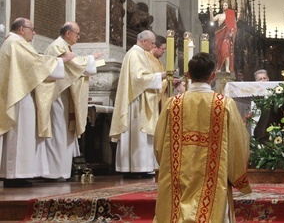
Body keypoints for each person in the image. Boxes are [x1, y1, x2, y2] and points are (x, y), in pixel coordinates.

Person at [154, 52, 252, 222]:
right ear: (213, 76)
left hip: (178, 175)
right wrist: (237, 175)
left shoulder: (172, 104)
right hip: (214, 177)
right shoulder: (224, 104)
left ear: (188, 75)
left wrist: (168, 165)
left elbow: (159, 143)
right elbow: (238, 144)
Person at [0, 18, 75, 187]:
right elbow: (35, 64)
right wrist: (60, 60)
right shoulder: (15, 43)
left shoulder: (14, 42)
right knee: (20, 136)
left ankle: (17, 174)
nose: (33, 33)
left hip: (21, 92)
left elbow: (33, 63)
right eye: (31, 29)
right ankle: (16, 175)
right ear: (21, 29)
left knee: (22, 135)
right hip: (19, 95)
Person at [43, 22, 103, 180]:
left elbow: (74, 66)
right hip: (57, 97)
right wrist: (91, 58)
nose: (79, 36)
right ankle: (54, 173)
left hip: (64, 97)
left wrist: (88, 61)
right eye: (77, 33)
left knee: (64, 134)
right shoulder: (57, 46)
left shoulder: (64, 47)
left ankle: (61, 171)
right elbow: (74, 66)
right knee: (58, 133)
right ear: (68, 33)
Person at [109, 30, 166, 179]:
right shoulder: (135, 54)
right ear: (144, 41)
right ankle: (136, 166)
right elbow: (138, 78)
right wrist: (161, 76)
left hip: (140, 97)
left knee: (141, 135)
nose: (154, 45)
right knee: (137, 134)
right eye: (152, 42)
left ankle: (142, 166)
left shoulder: (139, 54)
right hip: (136, 101)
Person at [210, 0, 237, 73]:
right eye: (223, 5)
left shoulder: (230, 15)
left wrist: (232, 33)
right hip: (219, 36)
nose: (224, 6)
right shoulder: (219, 15)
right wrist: (211, 12)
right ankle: (219, 67)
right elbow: (212, 20)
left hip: (226, 36)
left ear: (228, 6)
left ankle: (227, 68)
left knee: (225, 51)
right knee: (219, 52)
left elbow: (234, 26)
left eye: (225, 5)